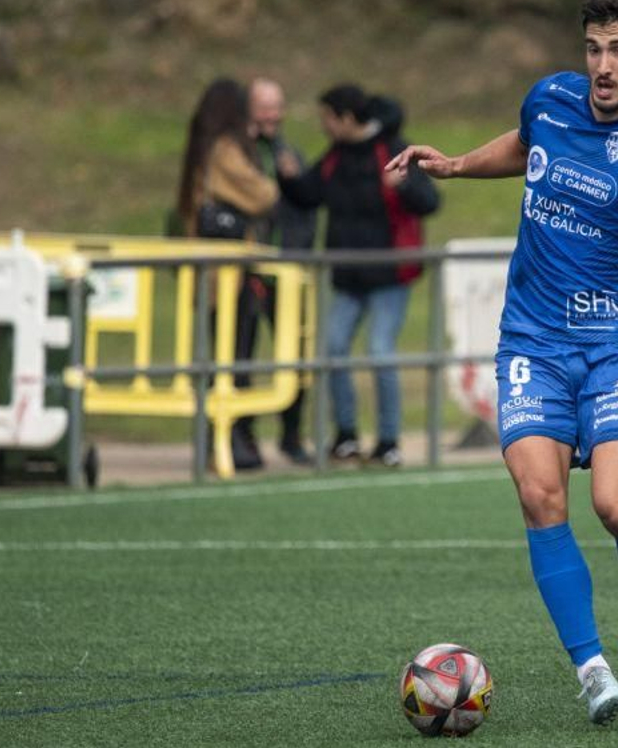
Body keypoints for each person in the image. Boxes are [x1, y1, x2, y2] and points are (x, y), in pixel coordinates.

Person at [386, 0, 618, 725]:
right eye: (594, 48)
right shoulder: (551, 98)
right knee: (538, 496)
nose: (602, 65)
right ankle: (591, 668)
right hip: (532, 339)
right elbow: (527, 147)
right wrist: (457, 165)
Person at [283, 84, 440, 468]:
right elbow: (311, 193)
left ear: (346, 119)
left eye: (327, 119)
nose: (323, 127)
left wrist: (403, 188)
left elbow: (430, 201)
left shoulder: (392, 150)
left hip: (390, 275)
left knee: (379, 350)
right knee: (334, 347)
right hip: (348, 278)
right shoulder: (337, 157)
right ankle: (347, 436)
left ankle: (388, 441)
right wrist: (289, 177)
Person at [175, 77, 280, 472]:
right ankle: (233, 440)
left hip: (209, 276)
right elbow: (263, 194)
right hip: (228, 276)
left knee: (223, 359)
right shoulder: (224, 149)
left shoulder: (201, 148)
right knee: (236, 359)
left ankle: (221, 439)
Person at [236, 77, 314, 466]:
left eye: (276, 106)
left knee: (296, 355)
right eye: (264, 106)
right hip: (248, 271)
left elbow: (307, 203)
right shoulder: (236, 153)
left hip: (288, 269)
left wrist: (295, 178)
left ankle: (292, 435)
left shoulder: (290, 153)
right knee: (240, 355)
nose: (272, 115)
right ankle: (241, 436)